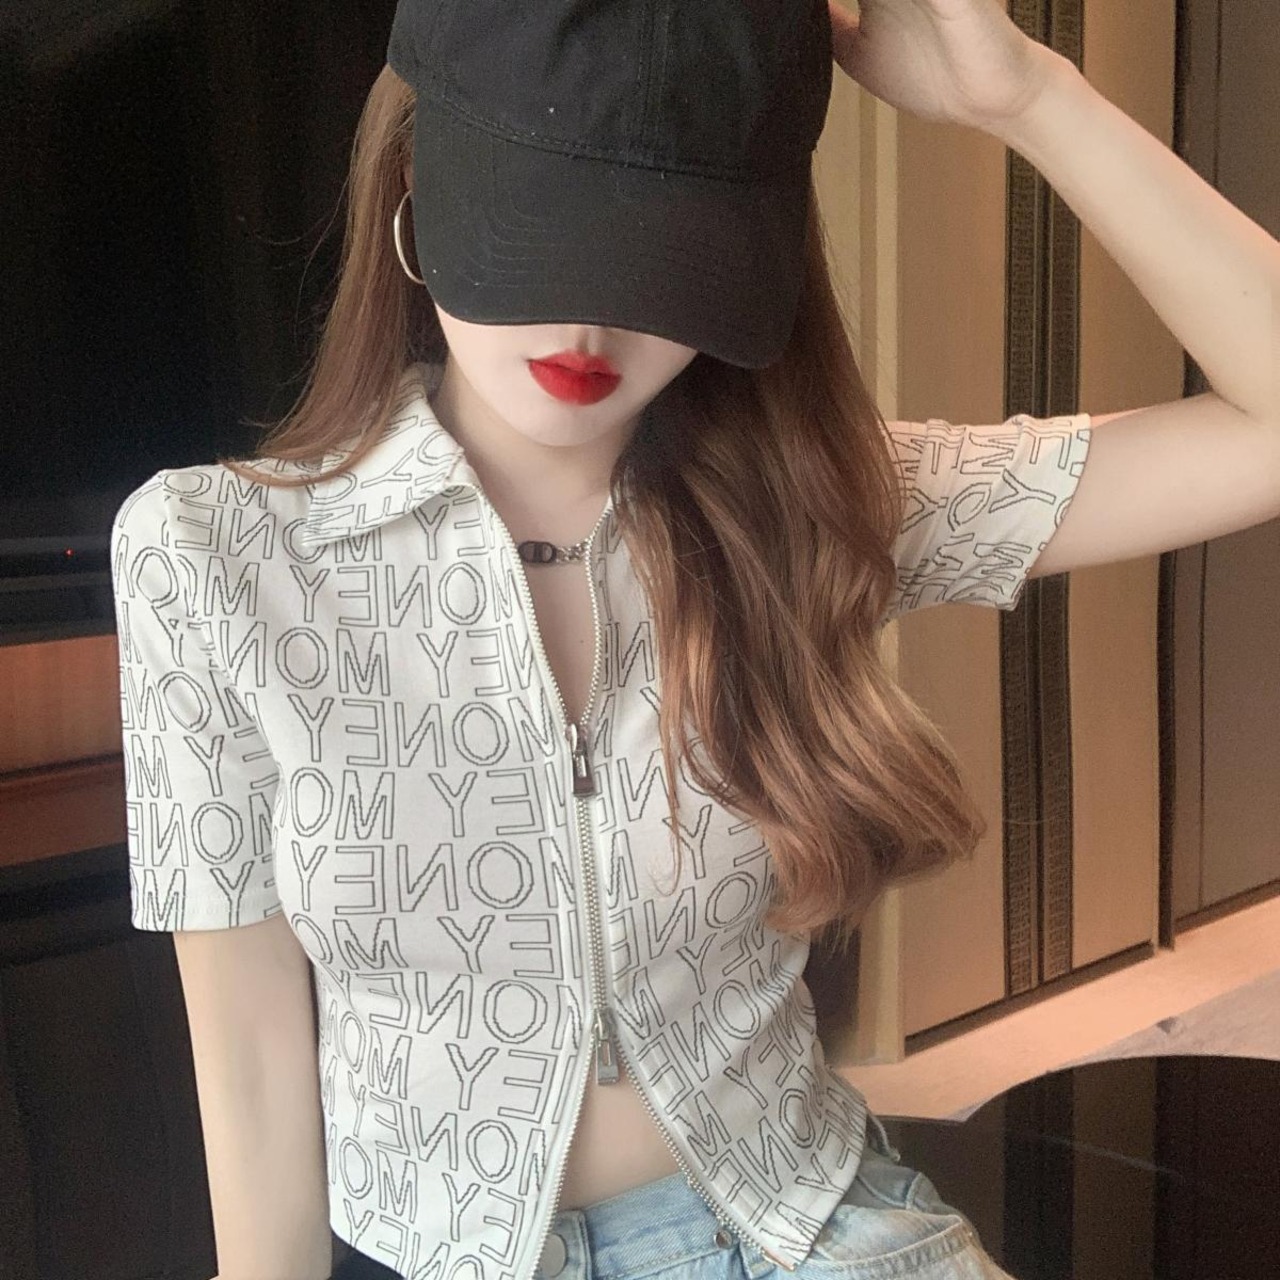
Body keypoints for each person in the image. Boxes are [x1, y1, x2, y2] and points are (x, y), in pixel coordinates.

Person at [107, 0, 1280, 1277]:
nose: (586, 326)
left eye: (656, 258)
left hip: (801, 1223)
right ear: (411, 196)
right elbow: (250, 1052)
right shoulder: (214, 553)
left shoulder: (814, 504)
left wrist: (1028, 98)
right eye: (537, 231)